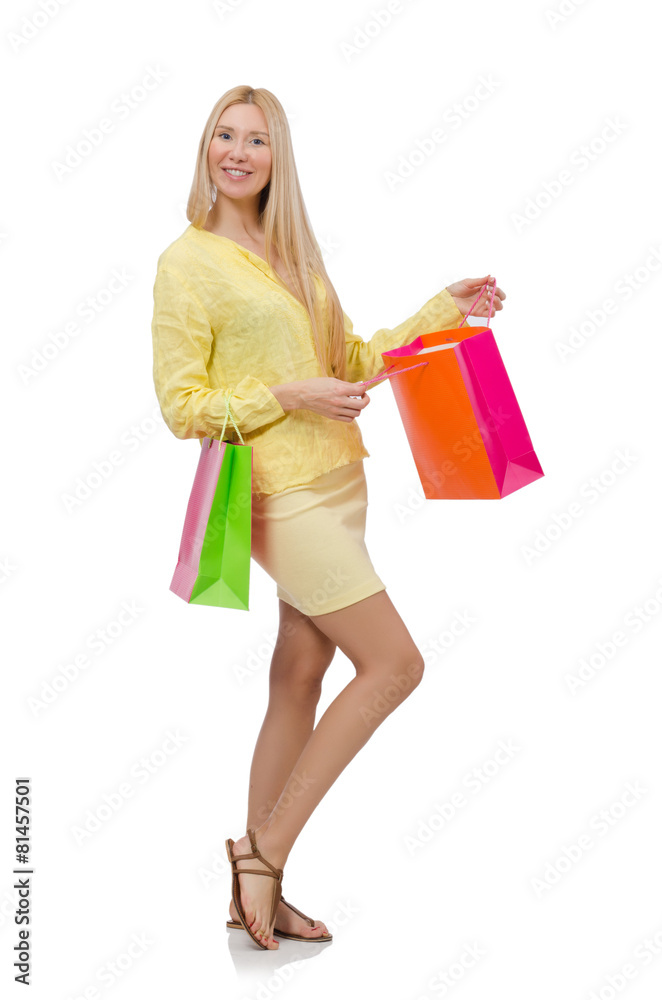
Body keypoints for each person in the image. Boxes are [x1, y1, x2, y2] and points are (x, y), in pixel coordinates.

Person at [151, 85, 505, 951]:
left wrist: (441, 308)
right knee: (395, 663)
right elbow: (181, 404)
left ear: (278, 159)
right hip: (282, 495)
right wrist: (288, 394)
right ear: (207, 150)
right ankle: (261, 856)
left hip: (339, 486)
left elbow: (351, 359)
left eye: (257, 140)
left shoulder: (292, 254)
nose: (237, 152)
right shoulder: (187, 263)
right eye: (224, 136)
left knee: (299, 673)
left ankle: (253, 897)